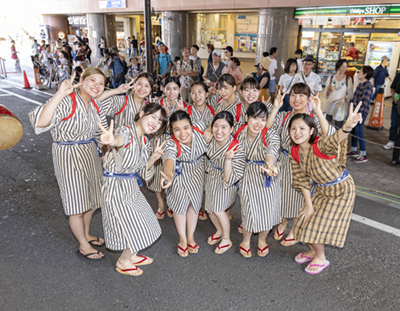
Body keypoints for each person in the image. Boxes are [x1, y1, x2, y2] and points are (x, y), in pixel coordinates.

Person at [28, 68, 108, 260]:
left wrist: (106, 153)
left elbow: (102, 133)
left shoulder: (95, 105)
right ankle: (83, 245)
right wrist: (59, 94)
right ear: (81, 81)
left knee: (89, 199)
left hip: (90, 154)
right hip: (68, 155)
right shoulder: (67, 100)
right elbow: (41, 122)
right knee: (76, 202)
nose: (97, 86)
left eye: (101, 83)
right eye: (93, 80)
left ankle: (87, 234)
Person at [289, 104, 362, 274]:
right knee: (301, 221)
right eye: (293, 129)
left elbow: (336, 138)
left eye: (302, 128)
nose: (297, 132)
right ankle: (313, 250)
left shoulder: (320, 144)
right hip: (321, 190)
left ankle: (321, 258)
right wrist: (308, 205)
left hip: (341, 190)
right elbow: (301, 180)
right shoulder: (294, 151)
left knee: (315, 225)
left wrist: (347, 126)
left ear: (311, 131)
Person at [99, 103, 168, 276]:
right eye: (153, 116)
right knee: (134, 226)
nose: (155, 123)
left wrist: (153, 157)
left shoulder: (144, 139)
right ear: (142, 113)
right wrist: (111, 140)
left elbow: (143, 171)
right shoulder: (126, 132)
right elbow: (119, 140)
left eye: (159, 121)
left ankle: (132, 254)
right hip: (116, 188)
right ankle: (123, 260)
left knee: (147, 221)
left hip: (130, 186)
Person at [267, 83, 334, 247]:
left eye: (301, 95)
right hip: (283, 162)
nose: (297, 99)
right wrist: (275, 108)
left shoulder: (312, 117)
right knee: (282, 195)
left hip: (303, 164)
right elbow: (266, 129)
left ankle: (295, 229)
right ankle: (283, 222)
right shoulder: (284, 116)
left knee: (298, 198)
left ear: (308, 98)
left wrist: (318, 110)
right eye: (294, 95)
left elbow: (328, 134)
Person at [234, 102, 281, 258]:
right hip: (247, 173)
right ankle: (245, 241)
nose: (258, 123)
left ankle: (262, 240)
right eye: (254, 118)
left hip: (266, 174)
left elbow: (272, 150)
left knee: (267, 210)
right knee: (248, 210)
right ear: (246, 117)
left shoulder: (270, 134)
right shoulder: (239, 130)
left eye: (263, 119)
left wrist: (271, 165)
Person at [161, 112, 208, 257]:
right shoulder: (170, 143)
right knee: (180, 207)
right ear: (171, 131)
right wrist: (169, 175)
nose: (182, 133)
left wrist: (212, 131)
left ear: (192, 125)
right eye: (177, 129)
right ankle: (182, 239)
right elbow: (169, 159)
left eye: (186, 127)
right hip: (178, 174)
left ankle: (191, 236)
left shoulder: (200, 127)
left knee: (194, 205)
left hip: (197, 172)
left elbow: (212, 124)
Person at [205, 111, 245, 254]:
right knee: (209, 209)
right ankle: (219, 230)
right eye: (216, 126)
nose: (219, 131)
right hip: (211, 177)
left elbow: (229, 178)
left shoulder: (237, 147)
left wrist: (228, 160)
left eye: (224, 127)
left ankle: (226, 239)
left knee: (218, 209)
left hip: (226, 181)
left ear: (231, 129)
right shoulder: (210, 139)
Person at [148, 77, 187, 220]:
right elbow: (149, 126)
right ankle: (161, 205)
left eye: (175, 88)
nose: (171, 92)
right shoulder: (156, 104)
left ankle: (171, 204)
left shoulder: (185, 105)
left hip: (175, 142)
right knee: (158, 173)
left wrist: (182, 114)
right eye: (168, 88)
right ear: (163, 89)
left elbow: (188, 129)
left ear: (179, 90)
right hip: (158, 140)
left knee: (171, 173)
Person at [346, 66, 374, 163]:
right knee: (354, 131)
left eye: (360, 72)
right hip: (355, 112)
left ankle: (363, 154)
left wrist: (359, 114)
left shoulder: (368, 86)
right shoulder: (360, 84)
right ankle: (354, 150)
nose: (358, 73)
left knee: (359, 132)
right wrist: (350, 100)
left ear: (365, 74)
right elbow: (356, 98)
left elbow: (364, 102)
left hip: (360, 113)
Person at [324, 59, 354, 129]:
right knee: (327, 125)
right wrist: (329, 89)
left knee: (338, 126)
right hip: (330, 105)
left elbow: (350, 94)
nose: (344, 69)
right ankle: (327, 139)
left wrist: (341, 99)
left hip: (341, 106)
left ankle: (337, 139)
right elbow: (326, 95)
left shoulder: (348, 79)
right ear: (338, 66)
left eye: (346, 67)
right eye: (342, 66)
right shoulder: (331, 78)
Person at [385, 71, 400, 150]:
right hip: (397, 102)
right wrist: (394, 96)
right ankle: (391, 141)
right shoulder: (398, 76)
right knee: (394, 123)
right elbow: (392, 88)